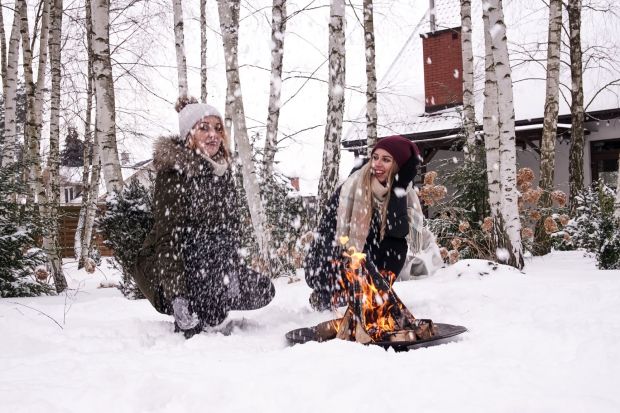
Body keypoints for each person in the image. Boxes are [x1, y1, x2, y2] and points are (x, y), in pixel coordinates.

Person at [133, 97, 275, 338]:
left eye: (217, 128)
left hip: (212, 264)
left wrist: (232, 274)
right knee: (203, 242)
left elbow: (229, 230)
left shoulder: (221, 173)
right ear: (189, 135)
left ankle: (212, 302)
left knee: (263, 289)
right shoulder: (173, 175)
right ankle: (192, 309)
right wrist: (177, 296)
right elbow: (169, 240)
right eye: (204, 128)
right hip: (170, 270)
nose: (213, 135)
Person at [304, 135, 442, 311]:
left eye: (386, 160)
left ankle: (373, 291)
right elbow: (328, 233)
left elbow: (398, 232)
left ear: (398, 165)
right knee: (348, 250)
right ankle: (333, 293)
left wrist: (397, 189)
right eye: (375, 157)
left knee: (397, 245)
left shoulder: (403, 191)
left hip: (370, 261)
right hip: (336, 255)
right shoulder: (351, 187)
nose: (377, 164)